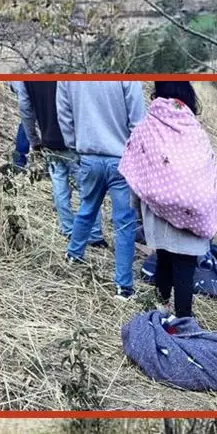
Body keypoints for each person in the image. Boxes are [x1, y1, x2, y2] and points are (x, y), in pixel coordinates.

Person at [123, 81, 217, 317]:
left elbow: (136, 166)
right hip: (192, 210)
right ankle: (183, 321)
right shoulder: (194, 130)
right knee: (185, 269)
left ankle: (160, 311)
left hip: (158, 210)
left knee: (163, 257)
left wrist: (137, 208)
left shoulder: (147, 126)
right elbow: (210, 167)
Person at [58, 80, 146, 299]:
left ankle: (73, 254)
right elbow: (138, 121)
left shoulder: (68, 77)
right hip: (122, 159)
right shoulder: (126, 76)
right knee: (124, 223)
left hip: (88, 155)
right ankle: (123, 287)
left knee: (87, 208)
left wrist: (74, 145)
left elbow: (64, 116)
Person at [14, 80, 107, 248]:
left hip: (49, 141)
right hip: (76, 141)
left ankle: (68, 229)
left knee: (59, 187)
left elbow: (25, 108)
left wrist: (34, 140)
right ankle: (94, 234)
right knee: (88, 190)